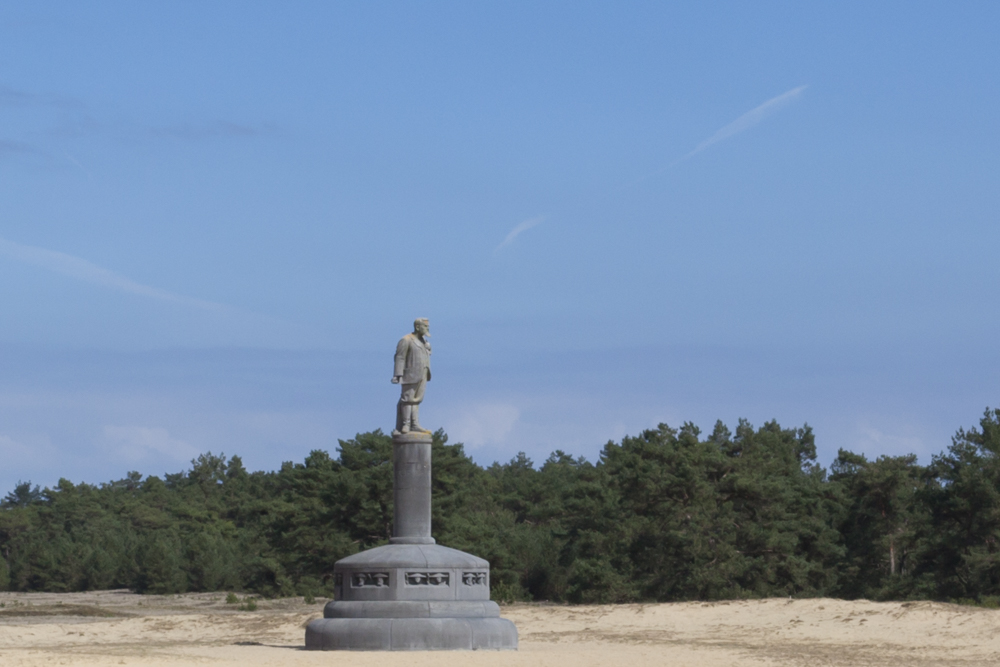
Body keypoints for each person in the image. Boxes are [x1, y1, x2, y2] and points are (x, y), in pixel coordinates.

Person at [392, 318, 431, 434]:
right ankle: (406, 424)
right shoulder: (406, 340)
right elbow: (400, 357)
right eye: (425, 327)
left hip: (423, 373)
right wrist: (397, 375)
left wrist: (428, 348)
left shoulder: (424, 341)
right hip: (410, 374)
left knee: (416, 400)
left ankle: (415, 424)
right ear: (418, 327)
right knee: (407, 400)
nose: (427, 329)